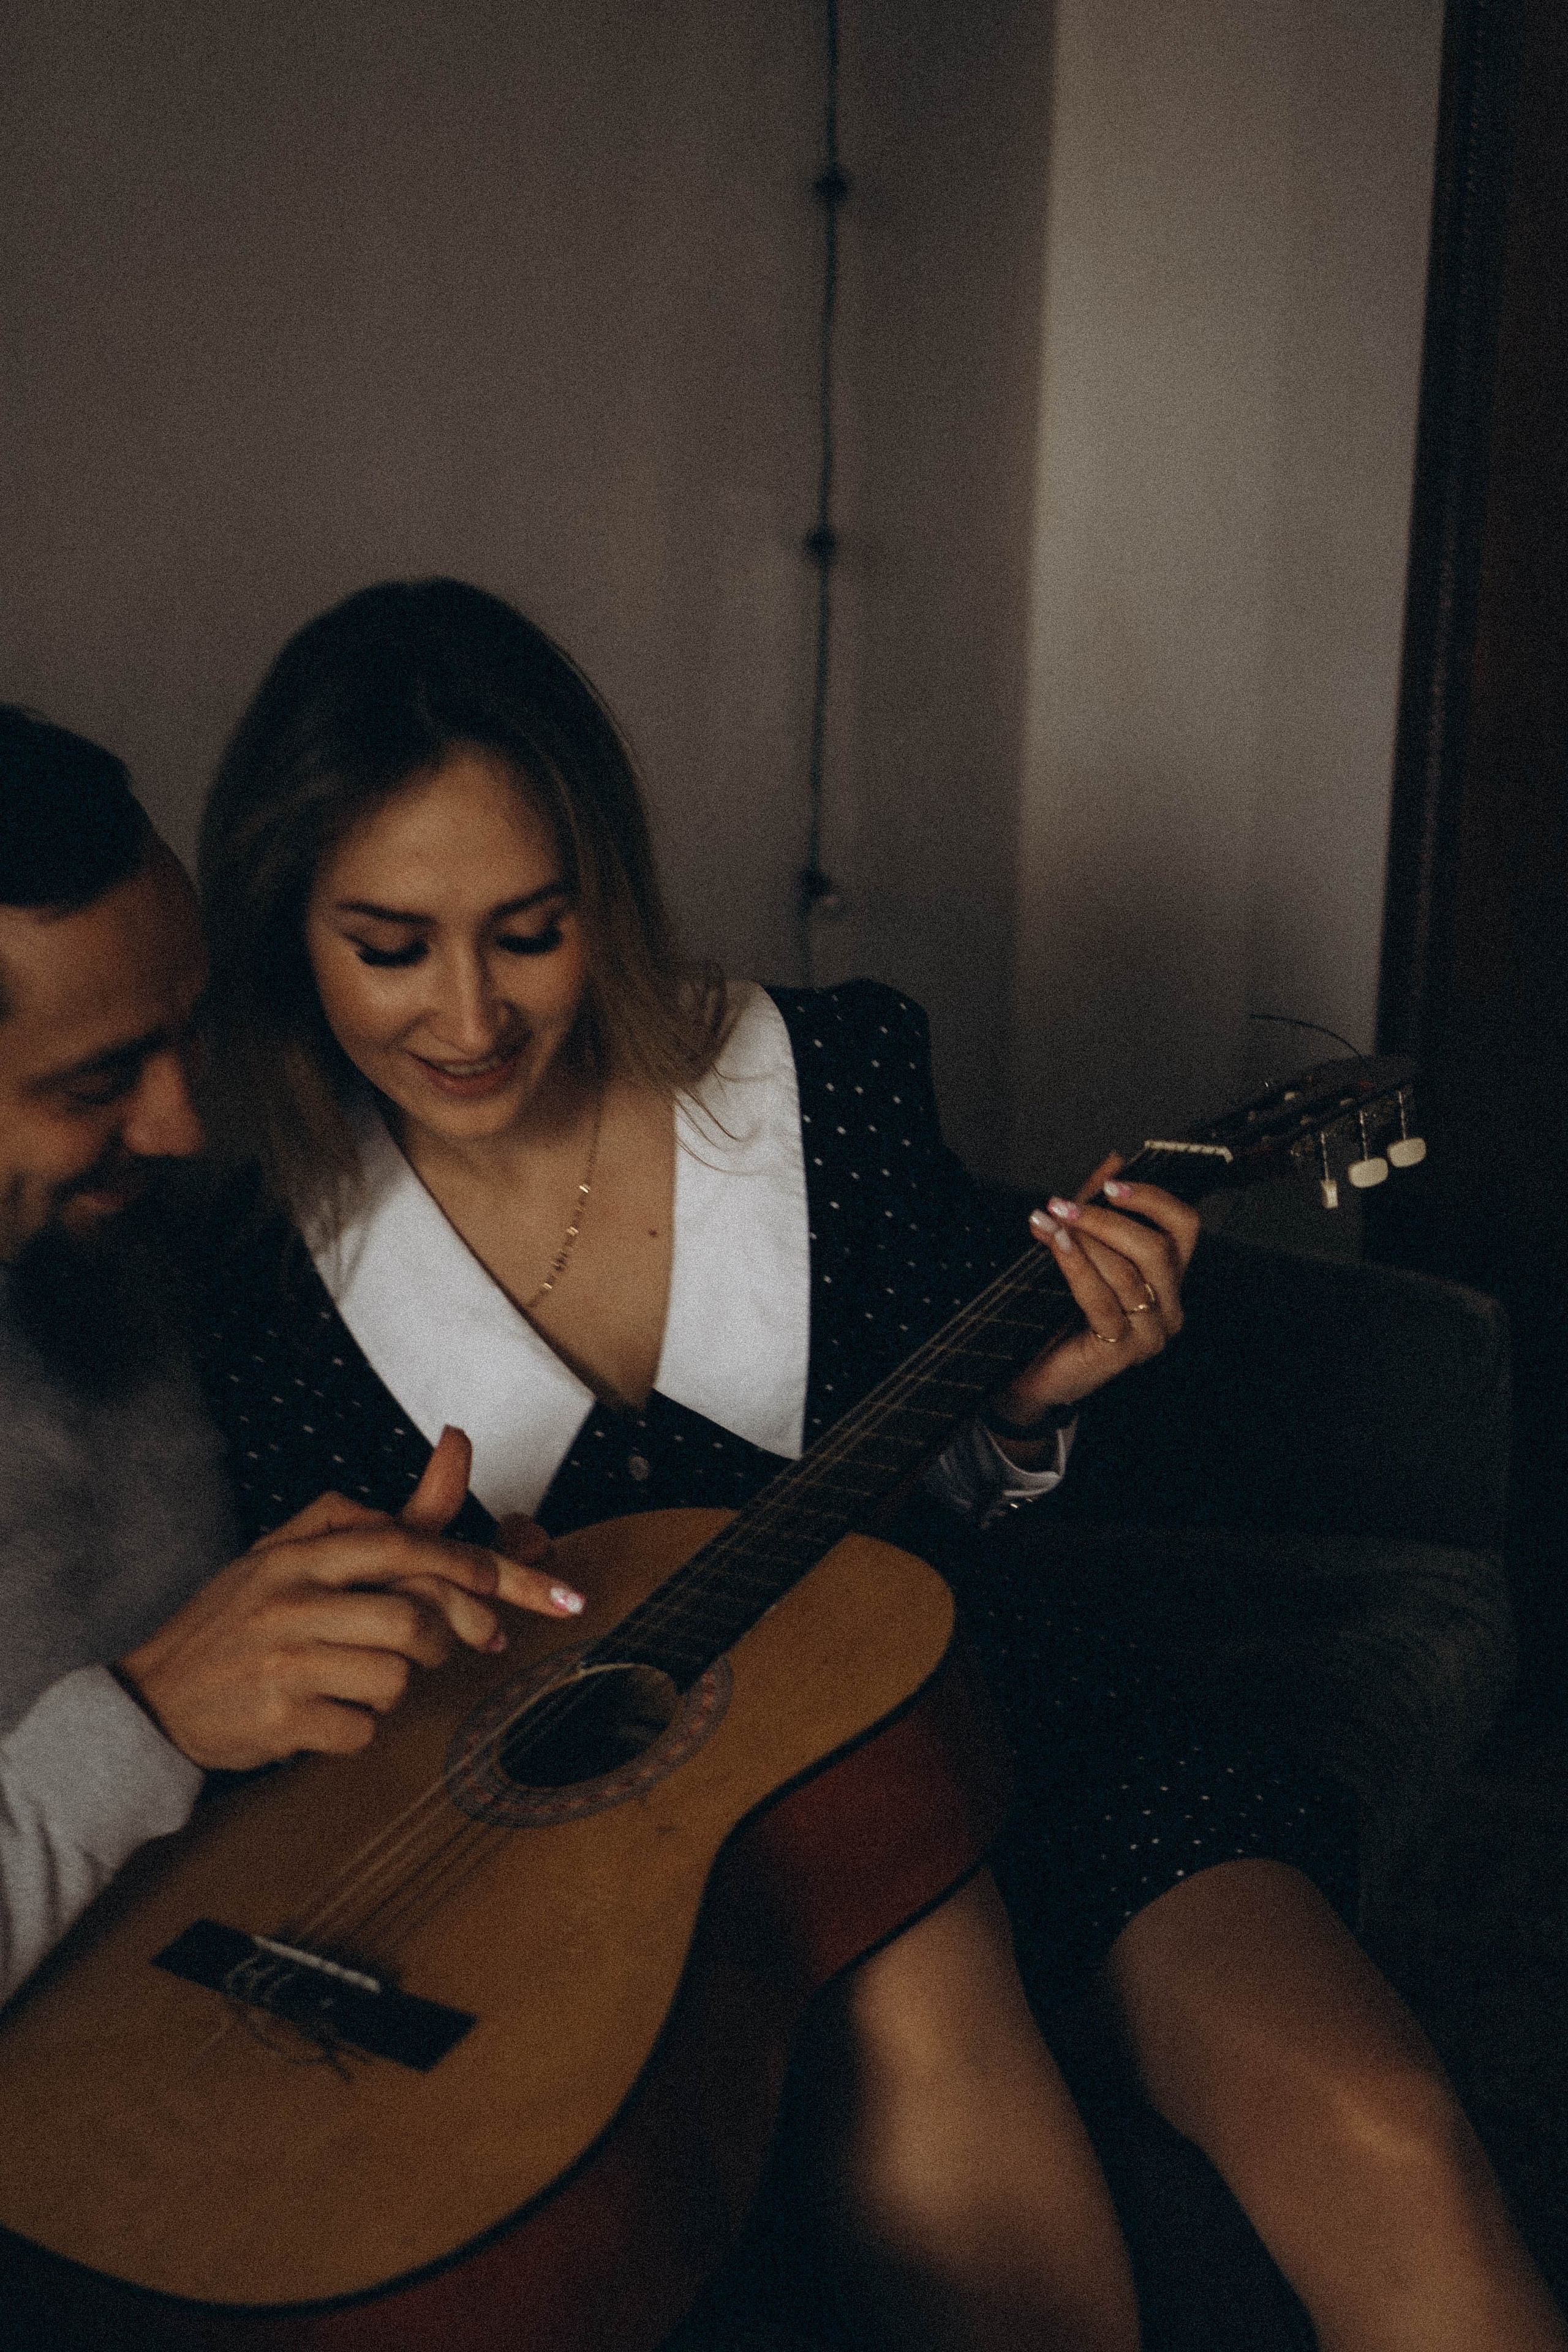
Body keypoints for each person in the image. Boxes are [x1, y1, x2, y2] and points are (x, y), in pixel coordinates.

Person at [190, 581, 1567, 2352]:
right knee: (985, 2195)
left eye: (529, 933)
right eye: (390, 946)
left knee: (1393, 2129)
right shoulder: (260, 1268)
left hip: (988, 1707)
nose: (470, 1015)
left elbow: (953, 1500)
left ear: (601, 892)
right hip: (651, 1867)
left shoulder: (820, 1079)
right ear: (285, 932)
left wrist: (1024, 1412)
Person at [0, 705, 592, 2012]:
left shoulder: (153, 1236)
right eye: (99, 1080)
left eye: (189, 1030)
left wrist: (378, 1598)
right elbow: (166, 1711)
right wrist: (148, 1722)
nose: (179, 1122)